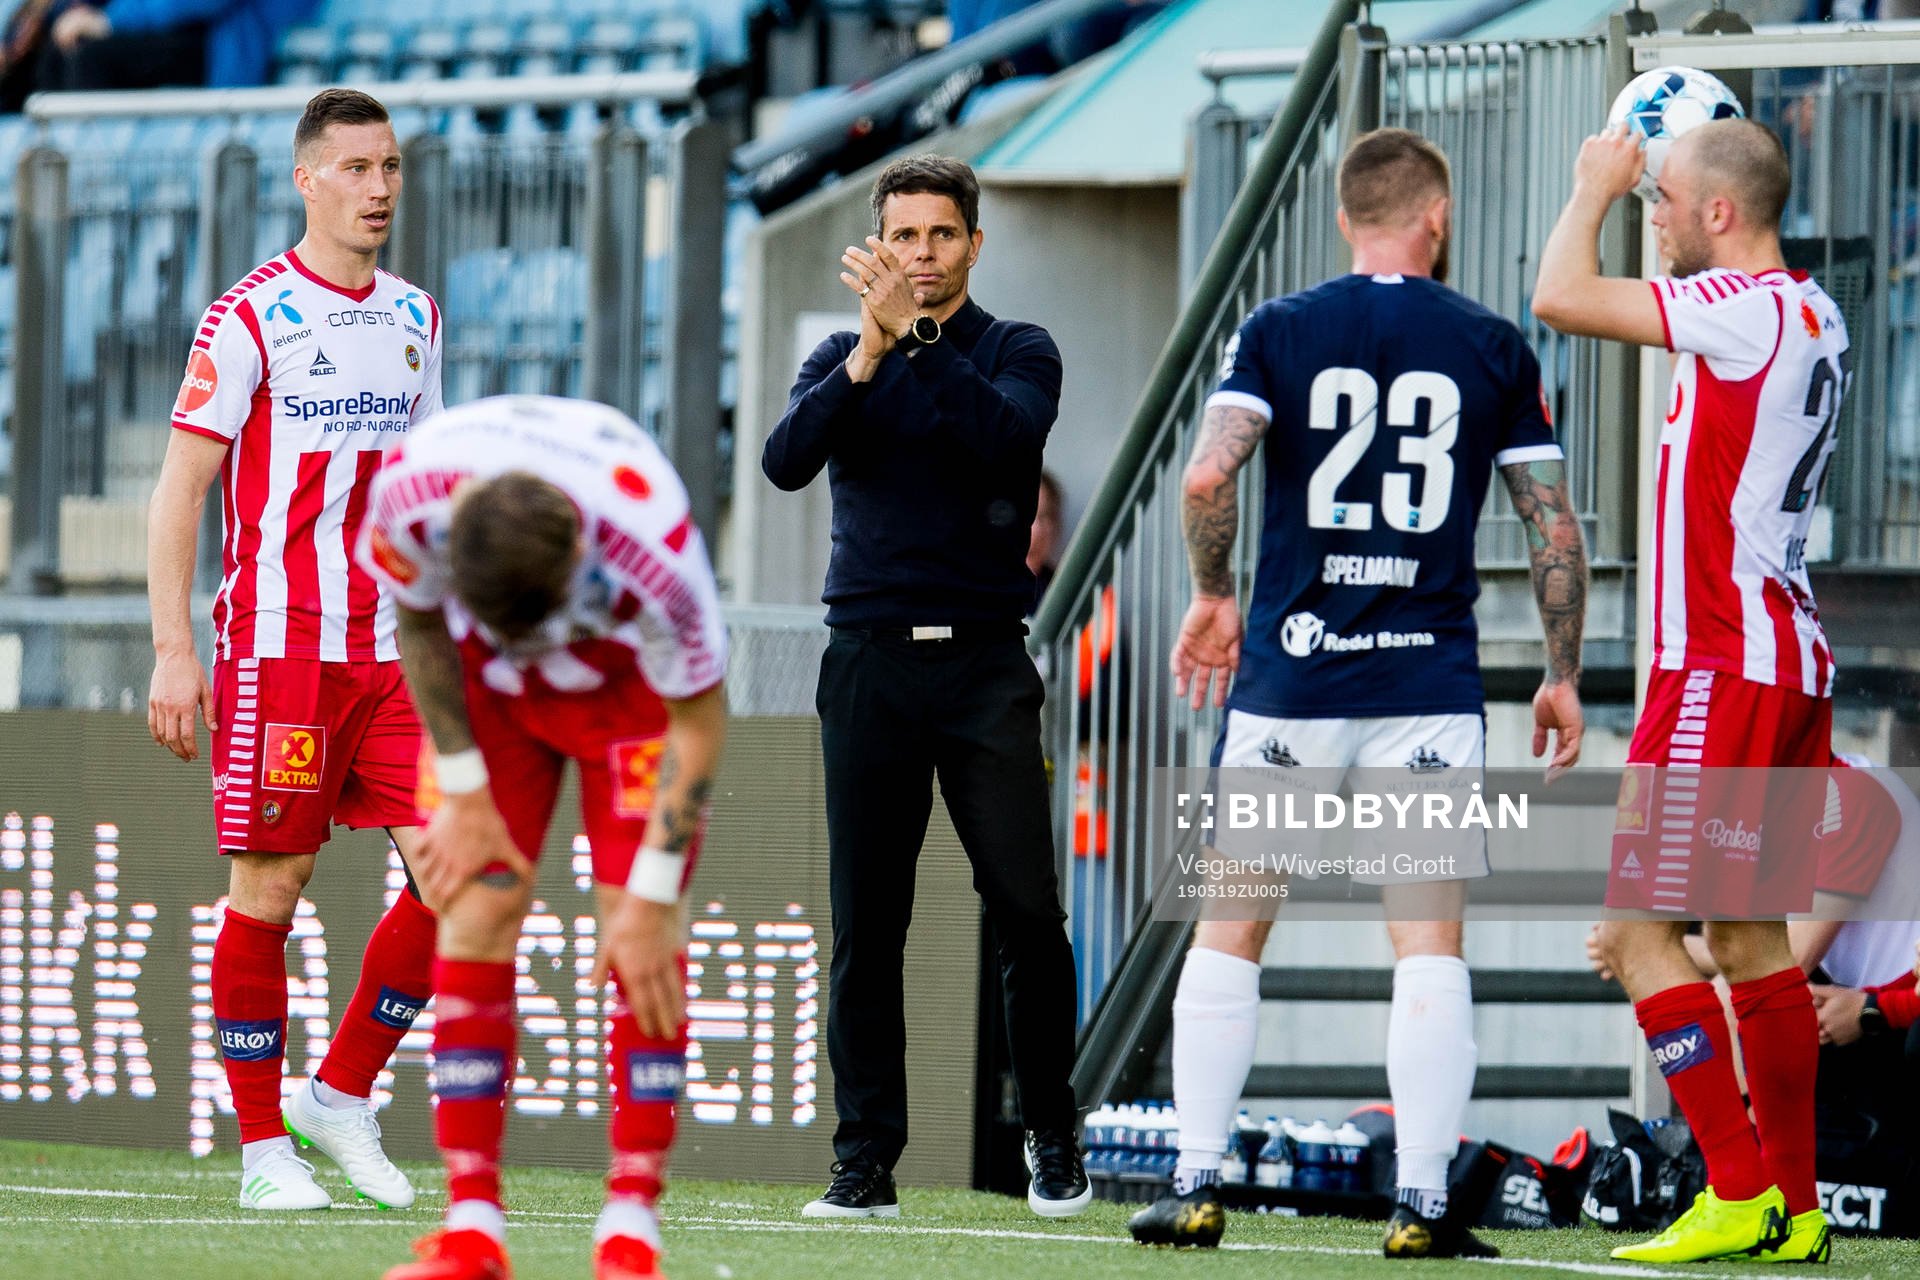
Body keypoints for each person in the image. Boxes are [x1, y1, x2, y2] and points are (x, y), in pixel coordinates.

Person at [1128, 127, 1588, 1259]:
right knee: (1428, 944)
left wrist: (1212, 594)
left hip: (1291, 674)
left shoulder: (1281, 328)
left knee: (1231, 929)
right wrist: (1563, 673)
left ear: (1345, 217)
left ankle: (1193, 1182)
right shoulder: (1489, 343)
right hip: (1424, 681)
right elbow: (1553, 527)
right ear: (1436, 217)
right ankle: (1423, 1204)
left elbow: (1204, 473)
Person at [1533, 118, 1850, 1265]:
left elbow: (1559, 295)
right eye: (1644, 195)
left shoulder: (1741, 307)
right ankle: (1798, 1205)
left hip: (1719, 662)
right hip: (1782, 657)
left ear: (1720, 214)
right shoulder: (1815, 310)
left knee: (1631, 933)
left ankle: (1735, 1183)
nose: (1651, 211)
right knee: (1754, 941)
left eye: (1664, 198)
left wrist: (1594, 188)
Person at [761, 152, 1089, 1219]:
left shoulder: (1016, 349)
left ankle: (1051, 1134)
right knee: (868, 919)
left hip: (987, 663)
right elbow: (782, 461)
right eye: (903, 236)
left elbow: (1005, 440)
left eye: (941, 235)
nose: (921, 255)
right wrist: (868, 350)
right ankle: (865, 1159)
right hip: (868, 662)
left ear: (974, 245)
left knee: (1029, 911)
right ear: (879, 244)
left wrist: (924, 337)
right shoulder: (841, 355)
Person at [146, 87, 441, 1213]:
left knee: (461, 874)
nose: (378, 188)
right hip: (281, 648)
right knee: (273, 884)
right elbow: (182, 486)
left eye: (391, 167)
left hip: (393, 647)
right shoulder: (249, 316)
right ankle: (265, 1148)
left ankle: (341, 1095)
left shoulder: (417, 315)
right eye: (357, 167)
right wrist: (178, 649)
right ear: (306, 177)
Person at [357, 395, 728, 1280]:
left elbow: (701, 726)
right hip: (482, 687)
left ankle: (631, 1228)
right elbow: (415, 625)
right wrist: (468, 788)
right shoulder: (404, 501)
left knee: (641, 941)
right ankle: (473, 1228)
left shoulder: (656, 548)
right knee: (472, 912)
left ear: (579, 560)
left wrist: (652, 893)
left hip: (627, 691)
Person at [34, 0, 315, 94]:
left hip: (229, 49)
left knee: (91, 57)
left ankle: (88, 183)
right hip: (193, 37)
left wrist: (110, 20)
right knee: (58, 52)